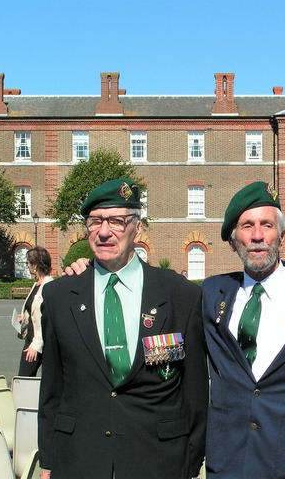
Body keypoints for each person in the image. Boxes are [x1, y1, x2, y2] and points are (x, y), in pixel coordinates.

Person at [38, 178, 208, 479]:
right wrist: (48, 460)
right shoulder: (59, 296)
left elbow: (194, 392)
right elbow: (52, 389)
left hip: (159, 461)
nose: (104, 231)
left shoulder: (180, 295)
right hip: (79, 458)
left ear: (137, 229)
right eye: (95, 222)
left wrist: (191, 461)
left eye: (117, 221)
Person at [201, 182, 285, 478]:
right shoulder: (211, 293)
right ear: (234, 240)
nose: (257, 236)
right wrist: (87, 270)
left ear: (282, 236)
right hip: (229, 462)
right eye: (247, 226)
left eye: (267, 225)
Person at [18, 247, 53, 376]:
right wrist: (24, 317)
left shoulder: (49, 286)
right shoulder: (37, 283)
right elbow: (33, 309)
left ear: (36, 265)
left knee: (24, 378)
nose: (27, 265)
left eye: (28, 262)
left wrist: (36, 345)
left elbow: (47, 319)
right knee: (25, 377)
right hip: (30, 338)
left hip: (39, 342)